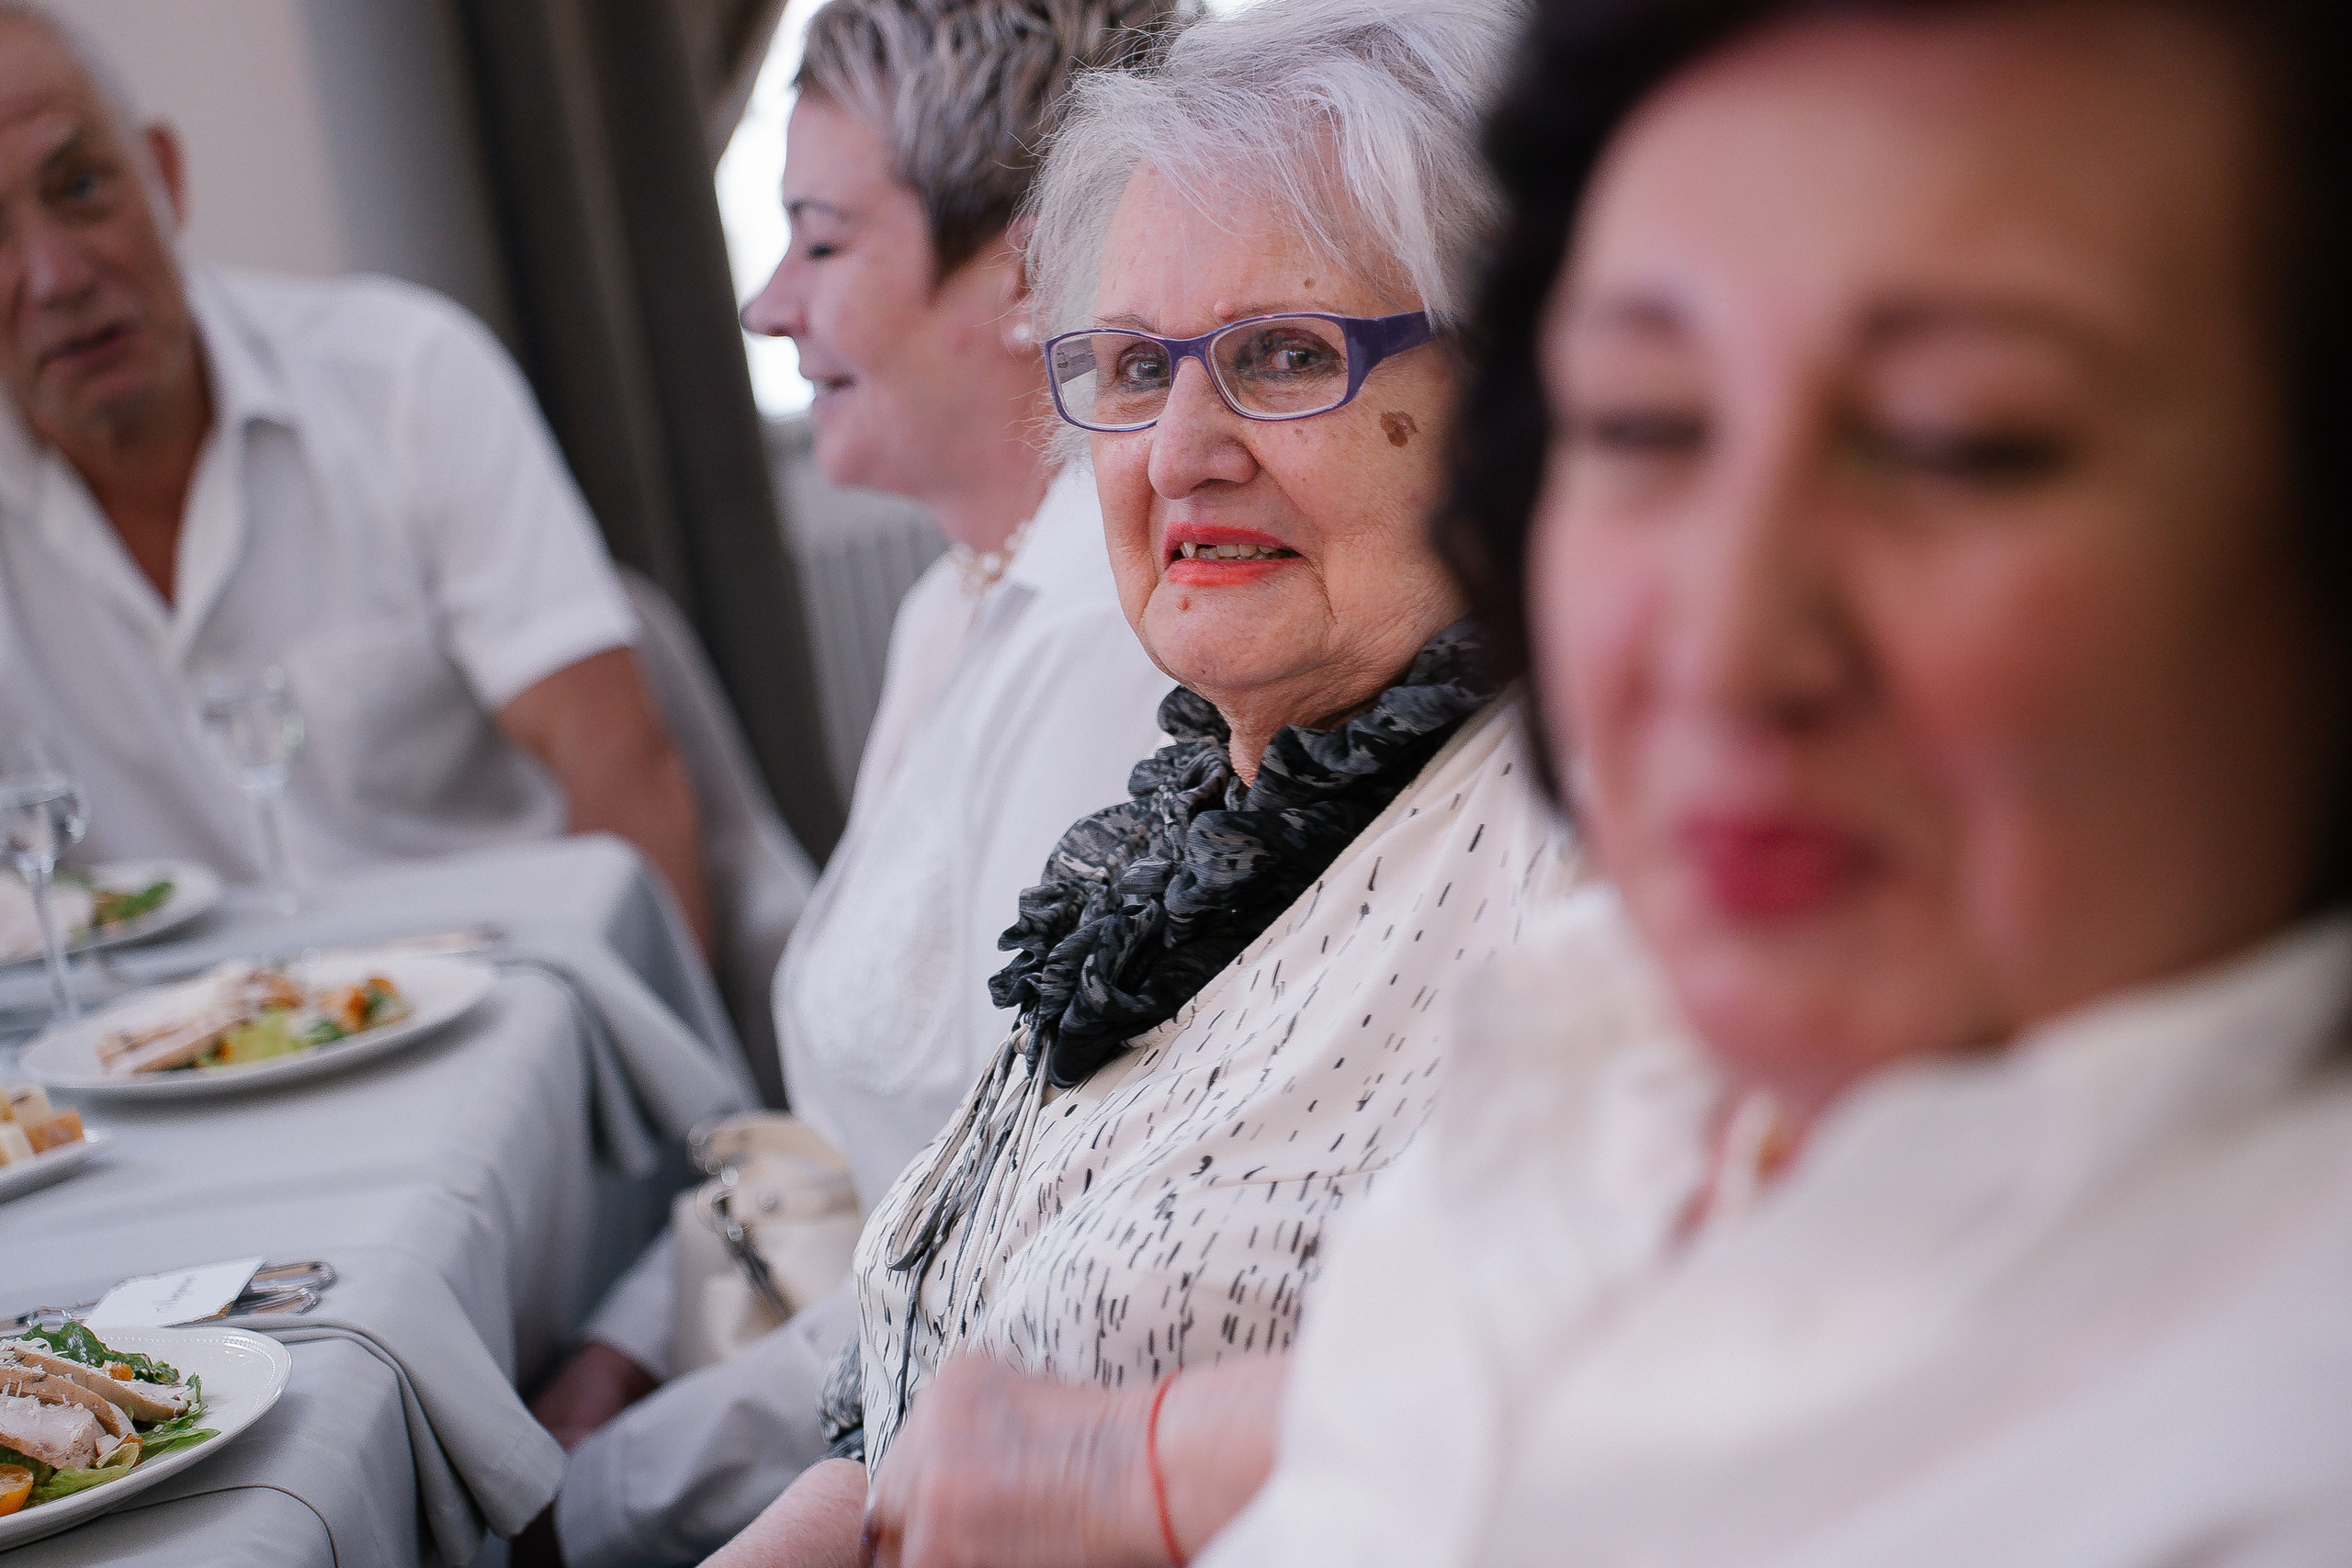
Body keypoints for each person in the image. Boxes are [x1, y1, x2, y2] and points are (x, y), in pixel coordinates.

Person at [1209, 1, 2352, 1563]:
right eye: (1643, 422)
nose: (1730, 644)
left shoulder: (2267, 1438)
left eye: (1964, 442)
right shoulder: (1588, 1060)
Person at [705, 3, 1576, 1563]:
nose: (1181, 449)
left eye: (1283, 356)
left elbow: (1705, 1377)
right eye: (1127, 366)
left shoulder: (1570, 841)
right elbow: (915, 1387)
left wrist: (1150, 1466)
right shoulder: (1185, 828)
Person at [522, 4, 1191, 1564]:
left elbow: (982, 1285)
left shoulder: (1113, 653)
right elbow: (842, 1140)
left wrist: (591, 1489)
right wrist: (626, 1337)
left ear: (1027, 271)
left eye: (819, 246)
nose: (764, 303)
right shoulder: (951, 601)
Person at [0, 3, 712, 944]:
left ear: (164, 177)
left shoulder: (407, 378)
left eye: (82, 185)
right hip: (165, 1067)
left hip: (510, 1003)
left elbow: (625, 771)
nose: (55, 277)